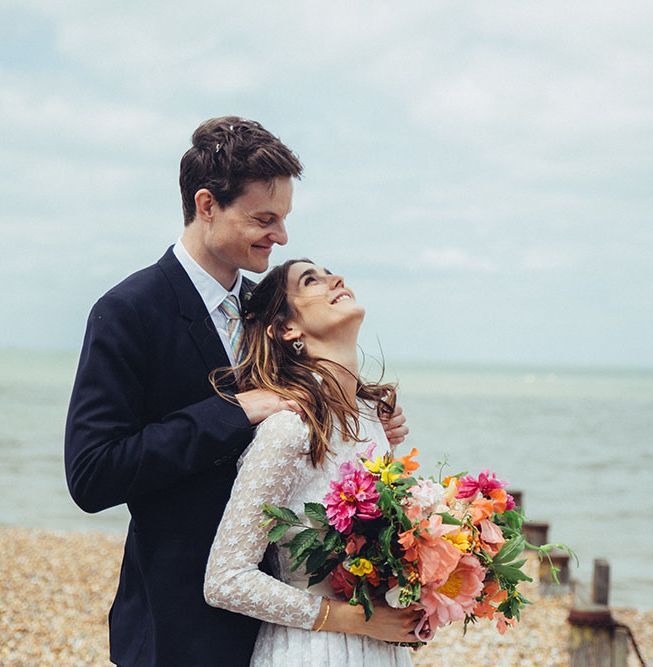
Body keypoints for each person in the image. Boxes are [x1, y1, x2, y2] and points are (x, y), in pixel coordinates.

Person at [64, 117, 408, 666]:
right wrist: (231, 413)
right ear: (207, 205)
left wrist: (364, 424)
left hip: (293, 624)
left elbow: (309, 424)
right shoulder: (128, 311)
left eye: (284, 219)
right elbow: (92, 474)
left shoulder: (269, 310)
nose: (281, 237)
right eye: (263, 219)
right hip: (180, 623)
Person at [204, 259, 425, 666]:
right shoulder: (290, 430)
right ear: (289, 330)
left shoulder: (375, 420)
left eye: (329, 273)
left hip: (380, 651)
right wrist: (352, 619)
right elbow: (225, 580)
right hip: (312, 651)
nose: (335, 279)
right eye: (311, 280)